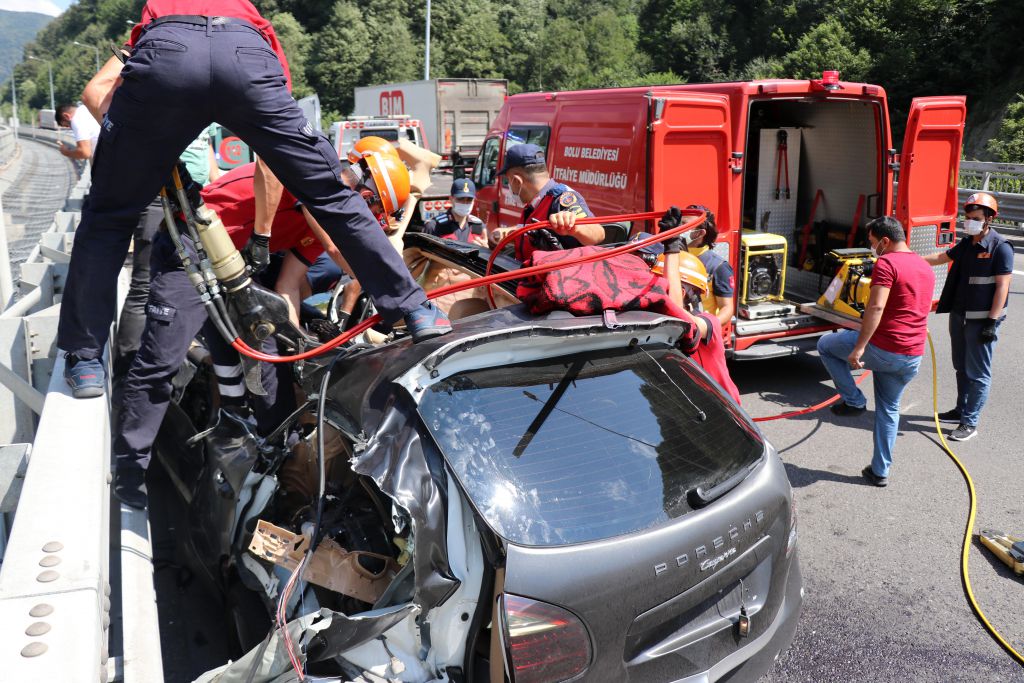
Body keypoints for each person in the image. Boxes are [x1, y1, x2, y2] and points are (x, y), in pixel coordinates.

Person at [57, 1, 450, 399]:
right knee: (333, 195)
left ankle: (87, 359)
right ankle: (414, 309)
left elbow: (101, 92)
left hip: (167, 51)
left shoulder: (157, 13)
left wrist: (138, 142)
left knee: (107, 217)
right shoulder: (249, 16)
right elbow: (273, 149)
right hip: (246, 52)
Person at [112, 150, 408, 509]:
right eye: (373, 210)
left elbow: (287, 285)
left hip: (233, 266)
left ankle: (280, 449)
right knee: (161, 359)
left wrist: (297, 345)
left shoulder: (317, 219)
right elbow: (338, 248)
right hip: (187, 250)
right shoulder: (313, 178)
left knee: (268, 355)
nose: (368, 219)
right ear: (366, 192)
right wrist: (397, 295)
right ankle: (129, 467)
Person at [817, 216, 935, 486]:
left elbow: (876, 307)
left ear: (884, 241)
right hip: (911, 355)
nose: (872, 248)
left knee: (825, 345)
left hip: (885, 348)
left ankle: (854, 400)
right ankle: (880, 472)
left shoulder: (887, 262)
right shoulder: (923, 266)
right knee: (889, 410)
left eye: (872, 243)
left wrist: (859, 348)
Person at [113, 129, 223, 382]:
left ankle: (172, 360)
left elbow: (205, 149)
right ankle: (127, 370)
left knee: (191, 283)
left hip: (196, 196)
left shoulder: (209, 100)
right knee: (146, 285)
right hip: (159, 192)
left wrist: (214, 186)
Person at [922, 192, 1013, 442]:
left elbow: (1002, 287)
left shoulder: (1000, 247)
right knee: (960, 367)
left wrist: (992, 322)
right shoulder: (967, 243)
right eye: (967, 217)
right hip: (960, 315)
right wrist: (909, 260)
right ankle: (960, 410)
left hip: (981, 321)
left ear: (989, 219)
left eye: (974, 218)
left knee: (978, 373)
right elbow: (941, 257)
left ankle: (970, 423)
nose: (969, 221)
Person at [658, 207, 741, 404]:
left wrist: (710, 332)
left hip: (704, 330)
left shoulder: (718, 266)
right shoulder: (679, 255)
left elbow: (726, 308)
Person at [492, 143, 602, 260]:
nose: (509, 186)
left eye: (508, 180)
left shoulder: (561, 199)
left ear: (517, 181)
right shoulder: (534, 203)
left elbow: (598, 233)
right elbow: (536, 231)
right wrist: (509, 233)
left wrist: (575, 227)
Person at [685, 204, 736, 328]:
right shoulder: (672, 255)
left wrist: (706, 328)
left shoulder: (719, 266)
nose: (679, 228)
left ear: (699, 234)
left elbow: (727, 308)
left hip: (698, 334)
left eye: (684, 224)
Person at [420, 178, 487, 245]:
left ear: (474, 201)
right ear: (451, 199)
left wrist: (484, 251)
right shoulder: (434, 226)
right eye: (460, 199)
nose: (465, 203)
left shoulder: (478, 225)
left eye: (469, 199)